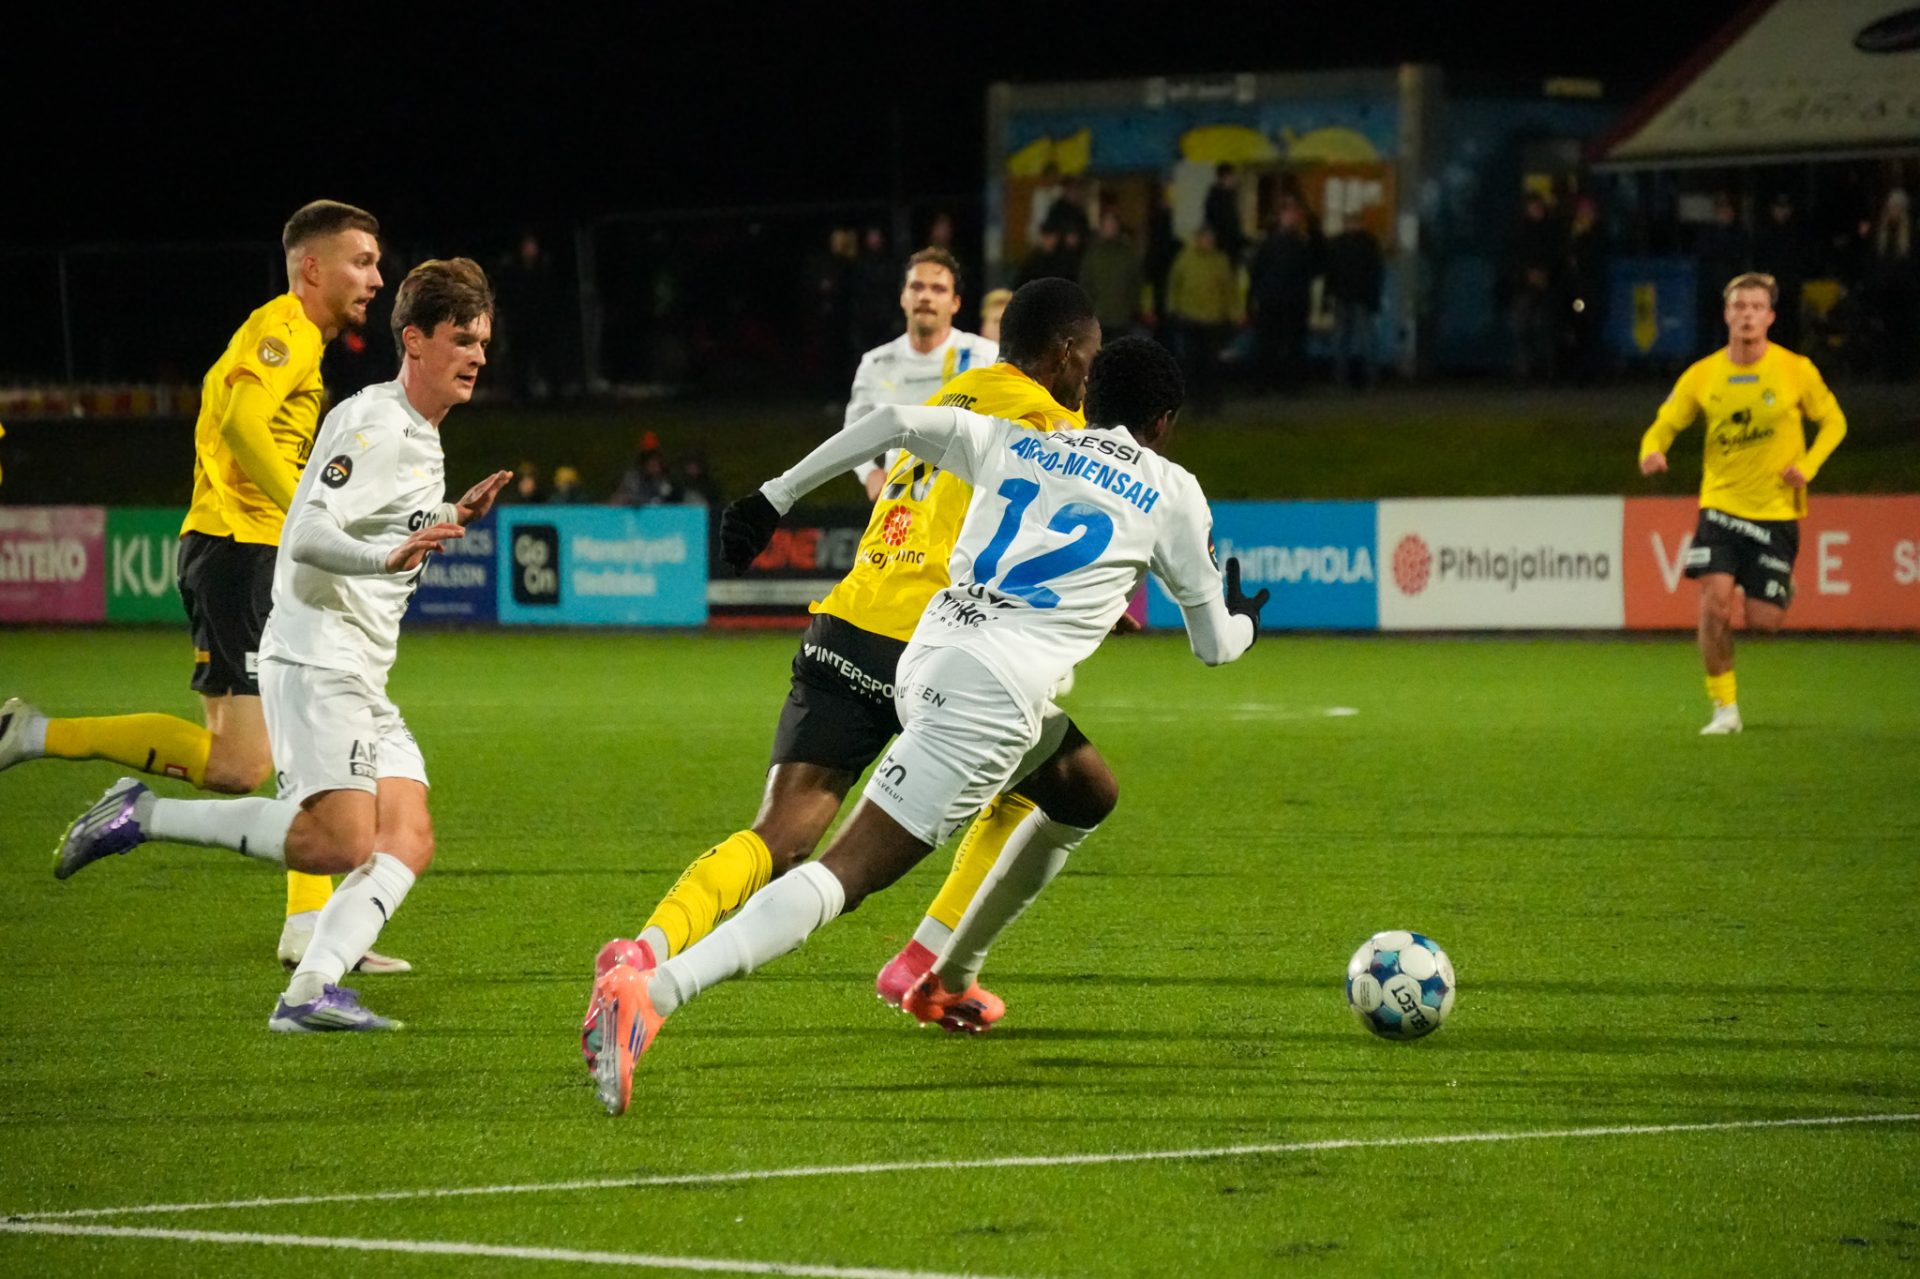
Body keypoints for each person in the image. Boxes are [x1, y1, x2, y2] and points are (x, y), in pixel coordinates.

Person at [588, 336, 1268, 1115]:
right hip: (988, 698)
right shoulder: (1174, 490)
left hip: (928, 654)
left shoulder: (1026, 442)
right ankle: (653, 993)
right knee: (845, 874)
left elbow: (890, 423)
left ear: (1090, 398)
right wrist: (1245, 618)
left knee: (1085, 788)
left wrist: (776, 494)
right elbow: (1215, 647)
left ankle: (947, 975)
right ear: (1165, 421)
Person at [576, 280, 1111, 1072]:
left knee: (780, 834)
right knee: (1076, 786)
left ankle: (644, 949)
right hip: (942, 646)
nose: (1090, 377)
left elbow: (885, 428)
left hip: (850, 623)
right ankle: (929, 965)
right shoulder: (1049, 420)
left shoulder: (956, 392)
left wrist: (773, 496)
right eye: (1089, 359)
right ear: (1065, 355)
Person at [51, 259, 512, 1031]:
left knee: (407, 835)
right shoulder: (375, 424)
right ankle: (142, 812)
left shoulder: (418, 434)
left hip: (360, 667)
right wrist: (384, 557)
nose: (478, 356)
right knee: (338, 840)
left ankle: (309, 991)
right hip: (319, 655)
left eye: (484, 342)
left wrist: (446, 515)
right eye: (463, 339)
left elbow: (378, 517)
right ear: (415, 340)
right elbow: (307, 531)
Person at [0, 200, 409, 973]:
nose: (376, 278)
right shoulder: (286, 328)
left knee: (243, 758)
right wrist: (307, 513)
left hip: (233, 551)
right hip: (243, 552)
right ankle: (305, 925)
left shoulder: (295, 340)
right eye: (362, 261)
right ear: (312, 267)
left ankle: (35, 735)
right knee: (292, 740)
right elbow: (244, 424)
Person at [1638, 272, 1847, 735]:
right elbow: (1664, 423)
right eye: (1739, 306)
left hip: (1776, 512)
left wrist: (1809, 466)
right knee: (1714, 603)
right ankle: (1725, 709)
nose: (1747, 315)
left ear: (1770, 317)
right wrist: (1651, 450)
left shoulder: (1795, 369)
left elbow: (1834, 422)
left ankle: (1780, 586)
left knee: (1764, 622)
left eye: (1756, 307)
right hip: (1720, 506)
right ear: (1726, 314)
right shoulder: (1703, 374)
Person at [845, 247, 998, 501]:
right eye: (917, 287)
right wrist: (869, 473)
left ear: (955, 303)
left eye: (938, 289)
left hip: (966, 504)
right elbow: (853, 431)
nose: (925, 296)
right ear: (903, 297)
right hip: (901, 505)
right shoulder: (877, 363)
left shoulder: (985, 357)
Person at [1166, 225, 1240, 412]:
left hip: (1214, 319)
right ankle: (1195, 400)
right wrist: (1173, 307)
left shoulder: (1220, 261)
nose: (1208, 242)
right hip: (1190, 318)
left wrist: (1233, 312)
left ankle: (1212, 400)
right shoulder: (1185, 259)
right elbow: (1175, 284)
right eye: (1205, 238)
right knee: (1193, 361)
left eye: (1211, 238)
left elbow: (1229, 289)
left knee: (1212, 363)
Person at [1080, 208, 1147, 339]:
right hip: (1099, 318)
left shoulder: (1127, 254)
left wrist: (1132, 308)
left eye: (1112, 223)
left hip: (1122, 319)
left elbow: (1136, 283)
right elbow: (1085, 283)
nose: (1109, 227)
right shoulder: (1093, 254)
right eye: (1106, 223)